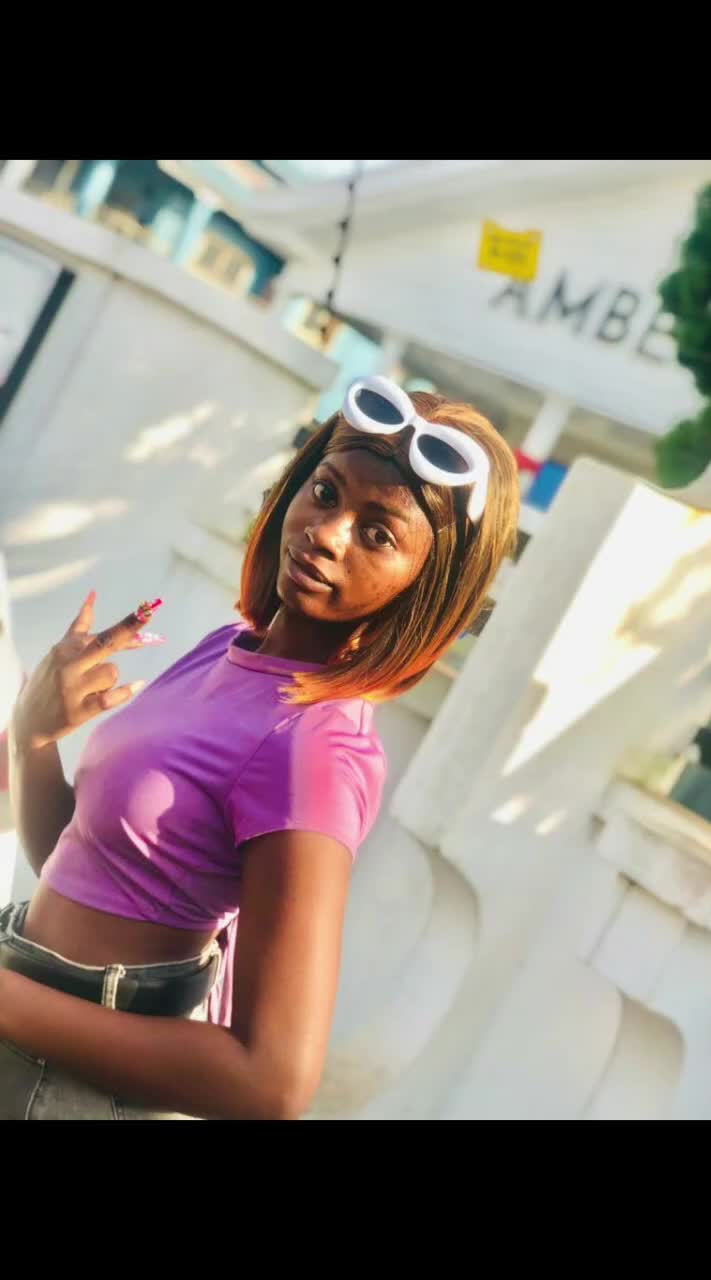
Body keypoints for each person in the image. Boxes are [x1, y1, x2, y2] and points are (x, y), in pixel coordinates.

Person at [0, 376, 518, 1120]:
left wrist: (9, 1005)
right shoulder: (225, 650)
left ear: (427, 585)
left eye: (378, 534)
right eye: (326, 492)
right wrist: (34, 736)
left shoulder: (317, 746)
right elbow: (83, 867)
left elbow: (270, 1081)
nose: (327, 532)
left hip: (65, 1093)